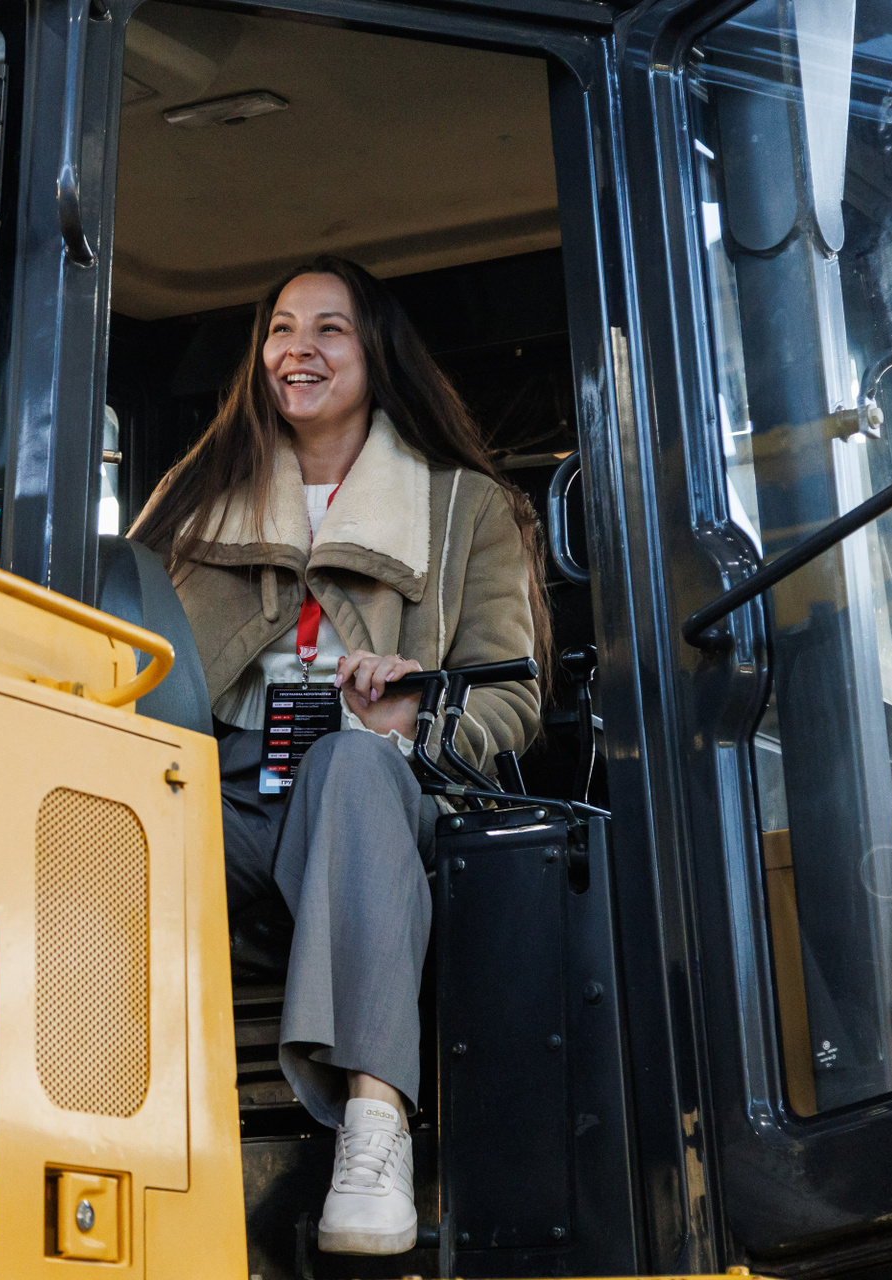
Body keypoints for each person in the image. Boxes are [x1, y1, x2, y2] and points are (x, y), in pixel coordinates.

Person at [130, 255, 547, 1256]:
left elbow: (512, 697)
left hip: (380, 786)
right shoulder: (193, 501)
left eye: (329, 328)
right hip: (227, 778)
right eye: (281, 328)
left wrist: (408, 717)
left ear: (376, 351)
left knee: (352, 765)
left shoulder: (465, 508)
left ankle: (374, 1127)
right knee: (104, 808)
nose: (298, 349)